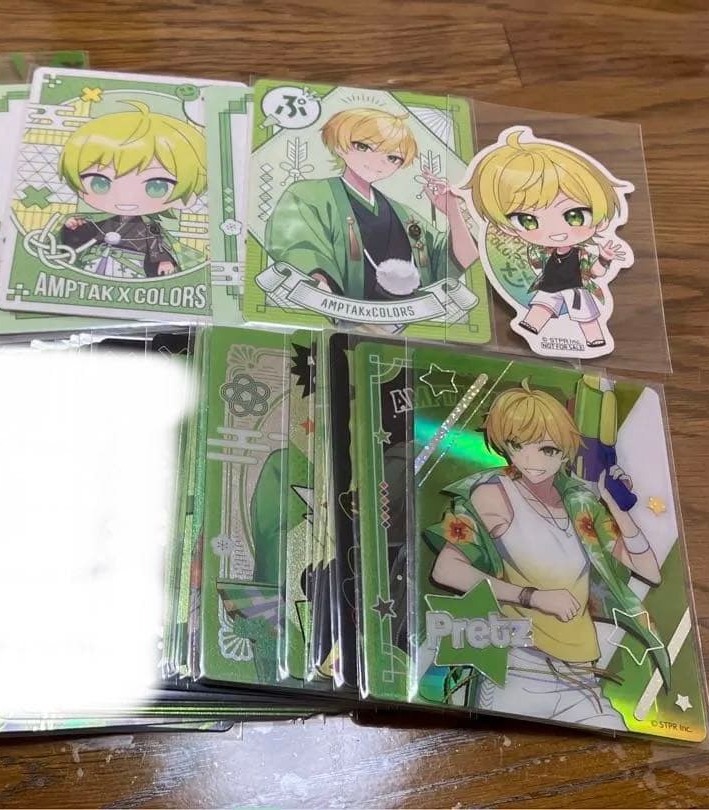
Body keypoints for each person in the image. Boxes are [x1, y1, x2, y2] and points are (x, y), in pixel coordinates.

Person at [423, 379, 669, 729]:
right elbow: (447, 570)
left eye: (547, 449)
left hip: (580, 675)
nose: (530, 460)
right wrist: (532, 597)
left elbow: (649, 570)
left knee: (617, 734)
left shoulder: (579, 504)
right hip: (519, 667)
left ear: (566, 449)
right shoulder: (495, 494)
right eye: (517, 445)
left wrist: (616, 505)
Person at [266, 107, 477, 303]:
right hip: (339, 313)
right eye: (363, 146)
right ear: (339, 146)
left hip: (407, 316)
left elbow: (466, 258)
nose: (379, 162)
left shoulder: (405, 215)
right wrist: (319, 283)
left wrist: (452, 210)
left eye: (393, 157)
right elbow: (299, 247)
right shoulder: (308, 194)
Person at [460, 128, 629, 348]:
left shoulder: (580, 253)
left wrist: (604, 258)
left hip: (575, 289)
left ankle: (595, 339)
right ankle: (530, 327)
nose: (556, 231)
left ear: (602, 219)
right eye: (528, 220)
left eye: (574, 216)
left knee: (586, 316)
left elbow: (595, 272)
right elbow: (531, 263)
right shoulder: (541, 251)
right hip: (548, 288)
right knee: (540, 307)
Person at [57, 100, 206, 278]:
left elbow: (156, 245)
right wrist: (73, 227)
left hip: (131, 267)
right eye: (100, 183)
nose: (126, 197)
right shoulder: (103, 221)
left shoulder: (149, 227)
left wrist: (164, 260)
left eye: (155, 187)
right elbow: (84, 239)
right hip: (96, 262)